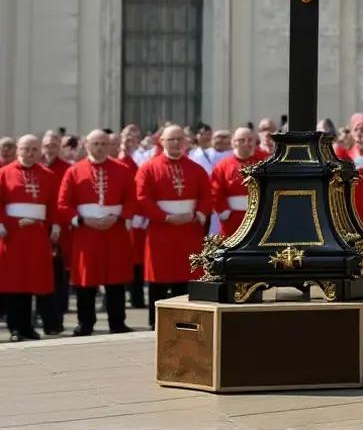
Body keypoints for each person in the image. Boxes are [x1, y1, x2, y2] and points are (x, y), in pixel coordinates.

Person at [57, 130, 136, 336]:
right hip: (87, 232)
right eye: (95, 143)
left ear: (109, 146)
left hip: (114, 230)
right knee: (86, 281)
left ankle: (117, 322)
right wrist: (82, 219)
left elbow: (131, 199)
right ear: (87, 145)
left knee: (116, 279)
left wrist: (118, 218)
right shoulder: (74, 171)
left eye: (103, 143)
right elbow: (63, 203)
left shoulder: (122, 169)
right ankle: (86, 323)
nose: (99, 147)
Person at [135, 125, 213, 329]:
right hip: (161, 230)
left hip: (189, 229)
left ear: (186, 142)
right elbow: (142, 199)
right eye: (171, 140)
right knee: (159, 277)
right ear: (162, 142)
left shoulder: (196, 169)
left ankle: (187, 321)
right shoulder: (148, 168)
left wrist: (197, 214)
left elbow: (206, 195)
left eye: (180, 139)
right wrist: (166, 217)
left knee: (186, 276)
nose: (176, 144)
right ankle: (156, 323)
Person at [0, 135, 62, 341]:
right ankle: (16, 328)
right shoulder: (4, 173)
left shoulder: (47, 174)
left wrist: (55, 224)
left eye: (34, 149)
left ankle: (28, 327)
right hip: (13, 235)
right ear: (18, 150)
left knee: (32, 282)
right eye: (26, 149)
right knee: (14, 283)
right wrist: (4, 223)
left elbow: (53, 203)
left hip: (37, 235)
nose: (30, 153)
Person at [209, 127, 268, 237]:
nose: (246, 144)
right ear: (233, 143)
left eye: (250, 140)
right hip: (233, 220)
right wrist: (224, 212)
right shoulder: (222, 166)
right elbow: (215, 191)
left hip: (261, 217)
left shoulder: (266, 160)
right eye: (242, 140)